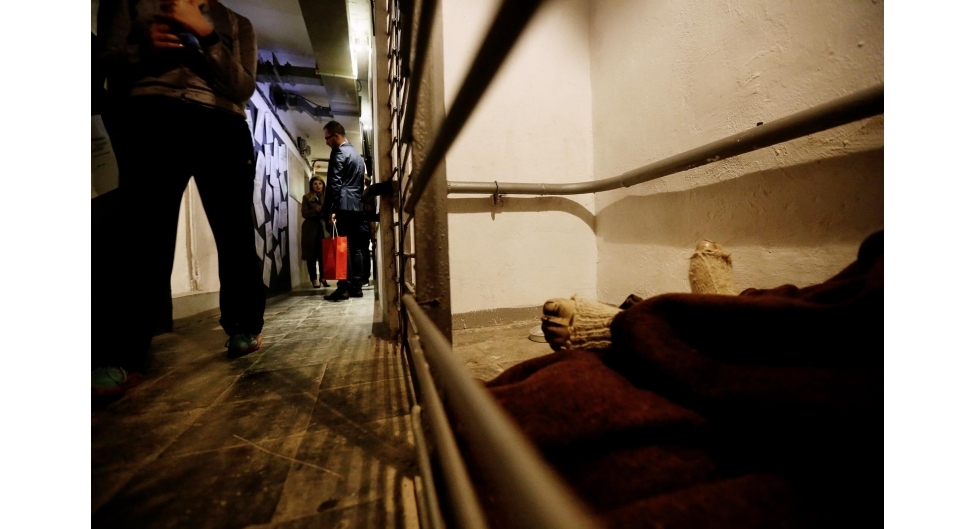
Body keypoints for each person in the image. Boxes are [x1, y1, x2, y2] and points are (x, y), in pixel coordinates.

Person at [92, 0, 265, 397]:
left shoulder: (236, 22)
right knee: (141, 235)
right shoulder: (133, 4)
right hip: (152, 114)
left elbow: (242, 87)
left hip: (223, 122)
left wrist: (206, 33)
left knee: (235, 232)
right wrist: (143, 49)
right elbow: (106, 64)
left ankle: (245, 325)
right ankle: (121, 352)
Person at [322, 121, 368, 301]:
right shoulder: (357, 155)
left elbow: (334, 183)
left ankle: (343, 288)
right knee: (356, 247)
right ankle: (357, 287)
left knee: (342, 246)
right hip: (357, 205)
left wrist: (330, 209)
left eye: (327, 138)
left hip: (343, 204)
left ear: (336, 136)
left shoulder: (339, 152)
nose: (326, 142)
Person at [301, 176, 329, 288]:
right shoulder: (307, 197)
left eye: (320, 183)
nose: (318, 186)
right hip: (310, 229)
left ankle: (323, 277)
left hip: (323, 228)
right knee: (311, 255)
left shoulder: (326, 198)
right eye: (315, 184)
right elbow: (304, 213)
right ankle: (313, 279)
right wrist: (315, 210)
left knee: (324, 254)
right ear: (311, 186)